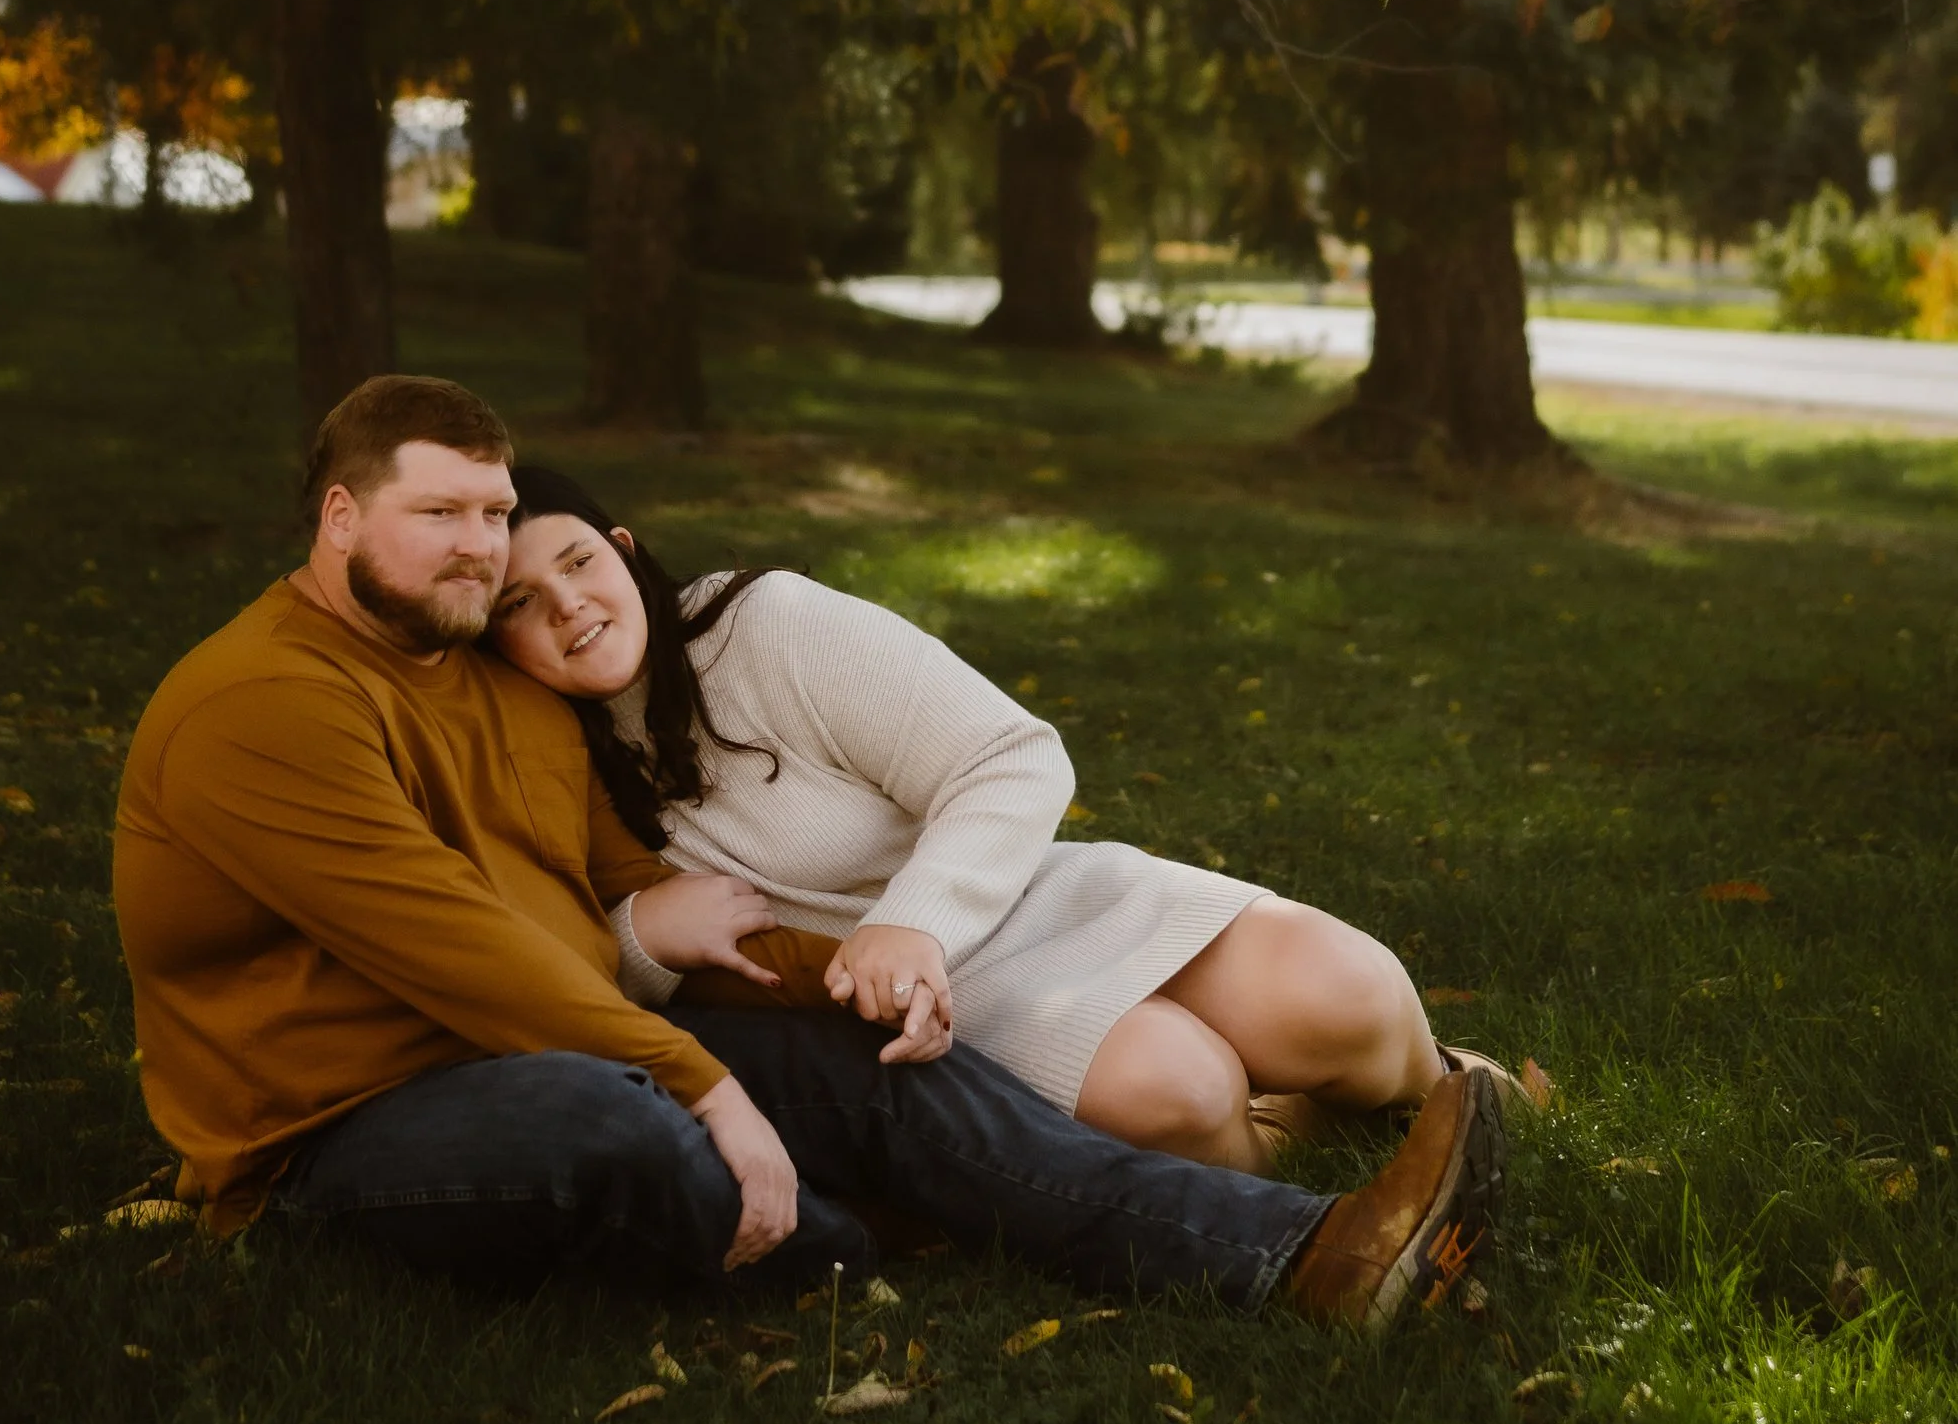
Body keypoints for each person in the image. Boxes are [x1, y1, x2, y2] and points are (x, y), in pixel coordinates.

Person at [112, 375, 1503, 1328]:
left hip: (549, 1035)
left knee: (871, 1070)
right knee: (617, 1128)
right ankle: (857, 1238)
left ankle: (1302, 1255)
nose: (482, 553)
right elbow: (454, 948)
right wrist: (706, 1081)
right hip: (345, 1124)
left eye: (496, 514)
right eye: (443, 517)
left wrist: (830, 983)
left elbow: (621, 884)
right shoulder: (265, 707)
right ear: (341, 517)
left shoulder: (486, 674)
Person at [489, 463, 1511, 1175]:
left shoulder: (763, 626)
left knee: (1349, 994)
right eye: (519, 602)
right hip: (935, 1014)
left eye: (577, 562)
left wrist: (917, 917)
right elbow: (540, 961)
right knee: (1180, 1097)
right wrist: (645, 941)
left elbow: (1009, 754)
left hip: (1016, 899)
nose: (567, 606)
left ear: (623, 550)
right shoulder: (533, 753)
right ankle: (1282, 1137)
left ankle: (1437, 1085)